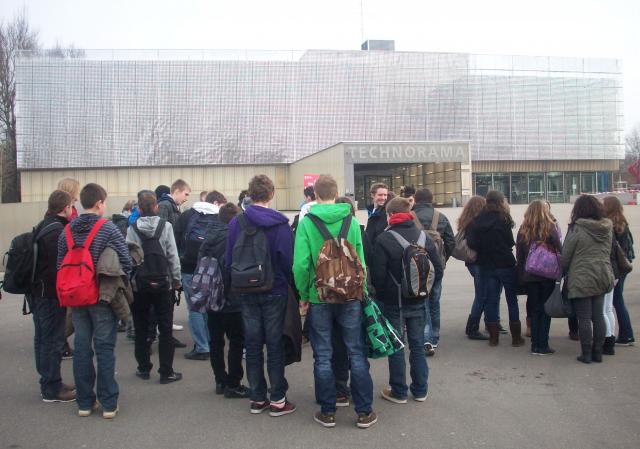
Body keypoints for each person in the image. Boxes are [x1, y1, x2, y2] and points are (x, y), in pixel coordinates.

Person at [294, 174, 377, 429]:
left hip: (319, 297)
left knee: (323, 354)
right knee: (356, 352)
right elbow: (361, 261)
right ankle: (364, 411)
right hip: (350, 296)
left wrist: (303, 296)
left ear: (315, 195)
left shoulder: (307, 223)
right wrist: (362, 291)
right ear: (336, 192)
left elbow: (301, 265)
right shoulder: (351, 221)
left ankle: (328, 411)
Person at [56, 183, 132, 418]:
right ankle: (108, 403)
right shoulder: (107, 228)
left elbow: (60, 265)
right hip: (102, 296)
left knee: (81, 349)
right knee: (104, 348)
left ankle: (84, 403)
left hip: (76, 298)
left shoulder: (67, 231)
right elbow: (125, 260)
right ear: (99, 203)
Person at [225, 174, 296, 416]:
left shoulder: (236, 223)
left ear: (250, 194)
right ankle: (278, 399)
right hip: (274, 289)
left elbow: (228, 259)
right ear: (272, 194)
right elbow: (287, 260)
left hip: (245, 290)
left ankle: (257, 397)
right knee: (274, 345)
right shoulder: (280, 224)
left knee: (253, 345)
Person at [371, 196, 443, 406]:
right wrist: (424, 290)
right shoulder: (422, 237)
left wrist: (384, 296)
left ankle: (399, 391)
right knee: (417, 345)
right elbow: (437, 269)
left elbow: (378, 276)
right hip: (419, 300)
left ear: (391, 215)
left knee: (397, 346)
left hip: (394, 302)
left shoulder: (384, 239)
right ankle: (420, 390)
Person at [126, 191, 183, 384]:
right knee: (165, 328)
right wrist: (176, 280)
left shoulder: (132, 228)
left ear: (139, 209)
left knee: (141, 327)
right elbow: (172, 255)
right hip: (163, 283)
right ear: (156, 207)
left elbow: (129, 257)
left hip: (140, 285)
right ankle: (166, 371)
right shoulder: (165, 226)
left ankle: (143, 368)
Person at [199, 202, 250, 399]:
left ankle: (220, 380)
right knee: (236, 341)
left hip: (212, 296)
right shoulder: (236, 237)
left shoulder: (208, 237)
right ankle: (234, 383)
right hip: (233, 297)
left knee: (216, 341)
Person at [31, 190, 77, 403]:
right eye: (72, 206)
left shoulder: (43, 225)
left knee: (43, 339)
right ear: (65, 208)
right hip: (49, 294)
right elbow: (58, 266)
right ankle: (51, 387)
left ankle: (51, 380)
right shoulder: (58, 231)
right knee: (52, 340)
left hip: (37, 292)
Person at [561, 195, 615, 364]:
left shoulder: (577, 229)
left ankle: (586, 353)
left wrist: (563, 271)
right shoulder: (607, 227)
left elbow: (566, 255)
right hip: (602, 273)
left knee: (584, 317)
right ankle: (598, 352)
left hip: (582, 276)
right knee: (598, 316)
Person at [466, 190, 523, 347]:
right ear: (500, 202)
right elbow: (510, 242)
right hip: (505, 263)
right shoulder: (503, 219)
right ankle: (516, 338)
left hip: (486, 264)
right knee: (511, 300)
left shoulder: (477, 220)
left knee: (491, 300)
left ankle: (493, 338)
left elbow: (471, 242)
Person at [175, 190, 227, 360]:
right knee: (212, 305)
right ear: (216, 203)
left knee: (195, 307)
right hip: (212, 268)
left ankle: (202, 346)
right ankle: (212, 341)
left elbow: (176, 241)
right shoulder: (220, 218)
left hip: (189, 268)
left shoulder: (186, 216)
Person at [515, 200, 562, 355]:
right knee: (545, 309)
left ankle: (535, 344)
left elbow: (520, 255)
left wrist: (521, 276)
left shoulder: (523, 229)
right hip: (547, 274)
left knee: (535, 309)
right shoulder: (550, 227)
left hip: (530, 275)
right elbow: (560, 249)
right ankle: (543, 344)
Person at [412, 188, 455, 355]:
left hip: (415, 268)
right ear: (432, 199)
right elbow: (450, 242)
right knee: (434, 302)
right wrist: (442, 260)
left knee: (421, 302)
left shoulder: (410, 216)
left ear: (415, 199)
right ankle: (435, 336)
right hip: (436, 268)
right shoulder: (440, 217)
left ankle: (426, 338)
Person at [157, 180, 191, 348]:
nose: (187, 198)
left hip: (171, 257)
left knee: (169, 299)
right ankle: (164, 335)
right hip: (165, 260)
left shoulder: (173, 207)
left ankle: (165, 331)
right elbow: (160, 232)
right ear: (176, 191)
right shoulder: (165, 206)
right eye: (186, 194)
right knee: (165, 300)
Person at [603, 196, 636, 347]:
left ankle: (626, 334)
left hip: (616, 267)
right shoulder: (622, 223)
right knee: (617, 300)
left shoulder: (610, 224)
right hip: (624, 266)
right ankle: (626, 334)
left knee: (616, 301)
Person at [457, 196, 489, 340]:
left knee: (481, 293)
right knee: (481, 294)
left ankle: (480, 324)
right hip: (478, 262)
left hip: (471, 262)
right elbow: (473, 242)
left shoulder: (466, 221)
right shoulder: (476, 223)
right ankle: (472, 327)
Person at [56, 177, 81, 359]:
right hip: (71, 265)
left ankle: (60, 342)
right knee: (71, 312)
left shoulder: (59, 210)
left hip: (65, 265)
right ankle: (59, 342)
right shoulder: (70, 214)